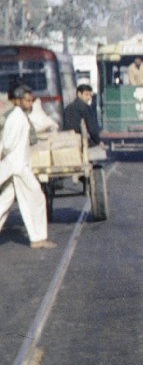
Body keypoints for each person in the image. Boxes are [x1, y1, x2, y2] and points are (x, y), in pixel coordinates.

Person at [0, 83, 55, 249]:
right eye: (27, 101)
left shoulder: (21, 116)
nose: (30, 104)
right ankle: (38, 238)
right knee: (37, 198)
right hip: (18, 167)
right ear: (17, 101)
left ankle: (38, 237)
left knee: (5, 201)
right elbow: (8, 143)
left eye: (31, 101)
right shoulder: (16, 117)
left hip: (16, 166)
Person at [62, 80, 101, 146]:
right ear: (79, 94)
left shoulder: (68, 107)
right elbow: (91, 129)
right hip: (78, 140)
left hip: (67, 140)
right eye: (86, 95)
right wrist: (98, 141)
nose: (89, 98)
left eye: (90, 95)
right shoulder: (85, 107)